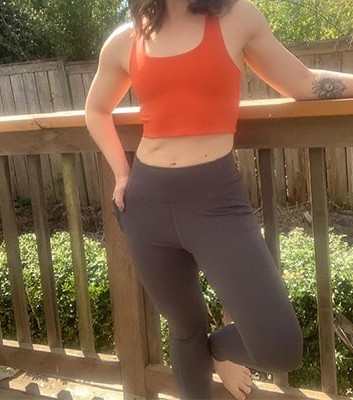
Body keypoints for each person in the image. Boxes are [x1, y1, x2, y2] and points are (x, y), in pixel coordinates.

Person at [85, 1, 353, 399]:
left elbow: (303, 82)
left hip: (216, 200)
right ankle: (196, 350)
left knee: (279, 345)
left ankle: (214, 350)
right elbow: (96, 109)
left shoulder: (237, 17)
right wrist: (122, 173)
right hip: (146, 205)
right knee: (184, 329)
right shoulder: (127, 39)